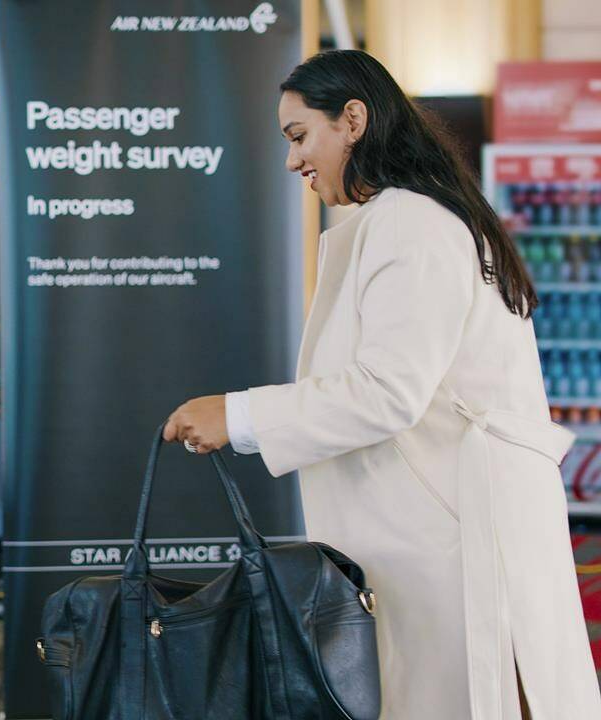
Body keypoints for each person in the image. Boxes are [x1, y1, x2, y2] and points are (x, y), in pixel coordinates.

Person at [164, 50, 601, 720]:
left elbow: (387, 391)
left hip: (448, 535)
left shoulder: (409, 220)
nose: (293, 161)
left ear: (354, 120)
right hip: (442, 526)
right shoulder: (414, 218)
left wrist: (239, 416)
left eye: (299, 136)